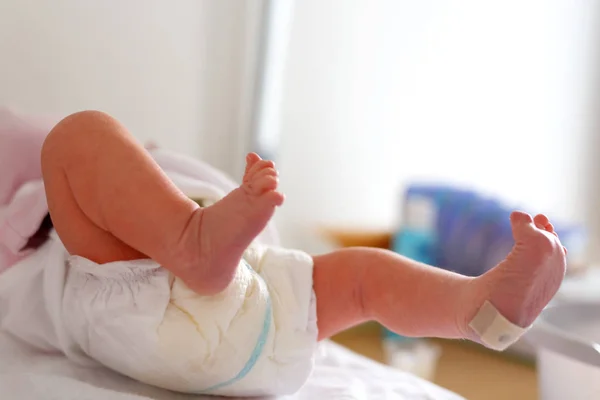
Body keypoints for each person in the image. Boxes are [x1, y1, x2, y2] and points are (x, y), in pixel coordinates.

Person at [2, 110, 567, 397]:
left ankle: (477, 306)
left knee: (361, 278)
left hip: (252, 311)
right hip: (140, 285)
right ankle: (468, 308)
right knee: (78, 134)